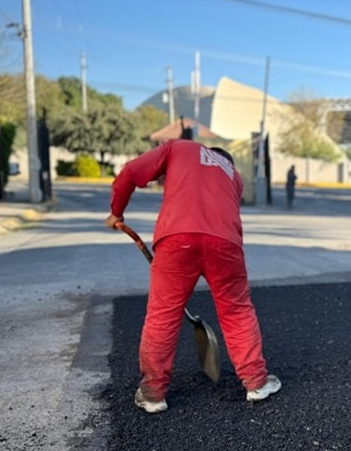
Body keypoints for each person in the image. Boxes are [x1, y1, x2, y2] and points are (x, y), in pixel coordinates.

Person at [105, 139, 281, 413]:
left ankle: (153, 393)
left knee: (163, 314)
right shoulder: (234, 175)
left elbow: (130, 172)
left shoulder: (178, 147)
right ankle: (256, 382)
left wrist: (116, 212)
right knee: (237, 311)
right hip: (225, 244)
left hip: (177, 239)